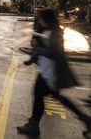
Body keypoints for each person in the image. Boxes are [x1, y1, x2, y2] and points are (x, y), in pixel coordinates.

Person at [17, 8, 91, 138]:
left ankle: (34, 126)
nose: (38, 19)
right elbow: (43, 49)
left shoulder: (56, 32)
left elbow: (55, 52)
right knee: (51, 97)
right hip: (46, 71)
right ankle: (85, 119)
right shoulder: (46, 30)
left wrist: (38, 49)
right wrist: (32, 59)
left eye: (40, 17)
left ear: (46, 18)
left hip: (52, 73)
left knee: (40, 95)